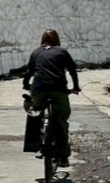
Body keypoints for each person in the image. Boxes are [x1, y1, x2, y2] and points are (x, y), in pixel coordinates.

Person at [22, 29, 81, 164]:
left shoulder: (36, 52)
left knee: (35, 112)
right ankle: (63, 155)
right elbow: (72, 70)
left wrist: (26, 84)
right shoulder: (62, 52)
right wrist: (76, 87)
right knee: (61, 119)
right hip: (58, 89)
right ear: (57, 40)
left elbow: (29, 71)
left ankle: (37, 141)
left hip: (38, 90)